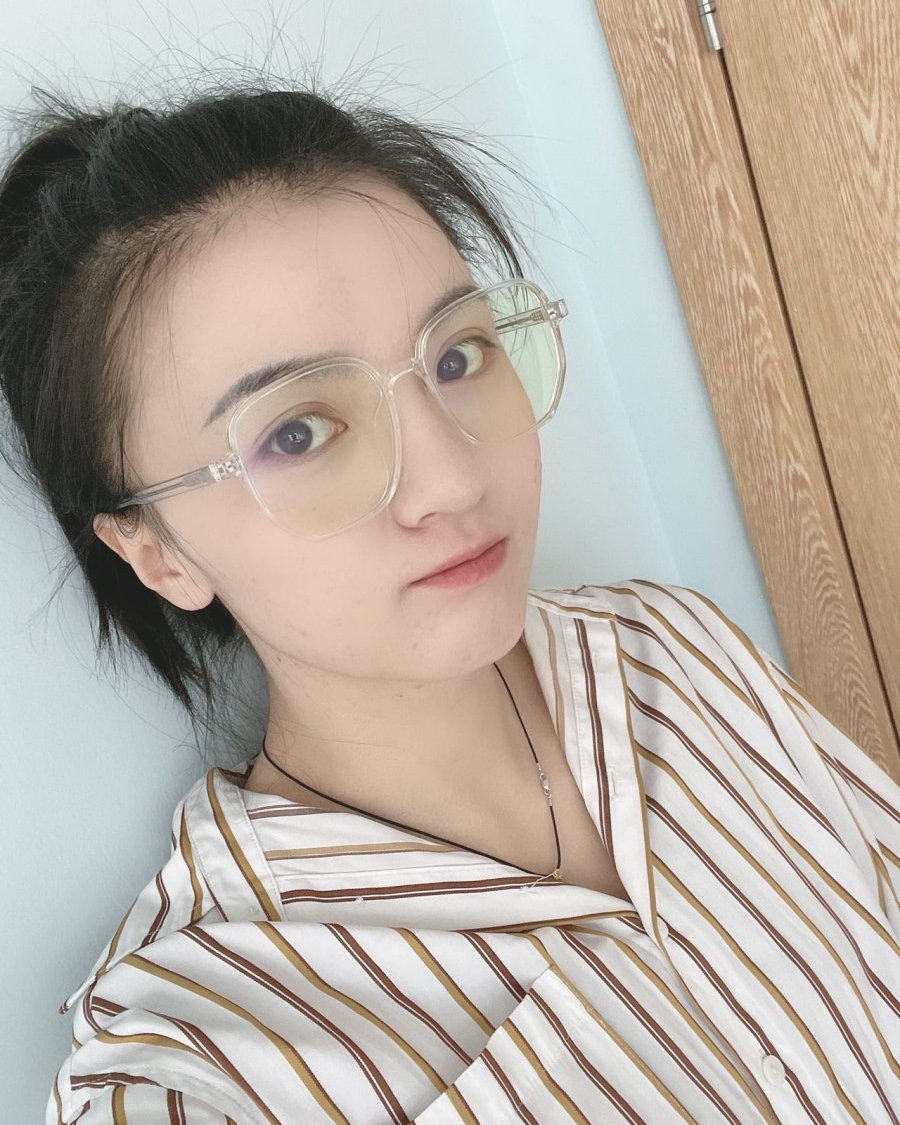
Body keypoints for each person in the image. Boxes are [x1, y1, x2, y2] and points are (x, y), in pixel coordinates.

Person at [1, 83, 897, 1125]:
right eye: (297, 433)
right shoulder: (201, 1067)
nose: (453, 478)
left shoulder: (674, 650)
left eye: (458, 357)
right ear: (155, 553)